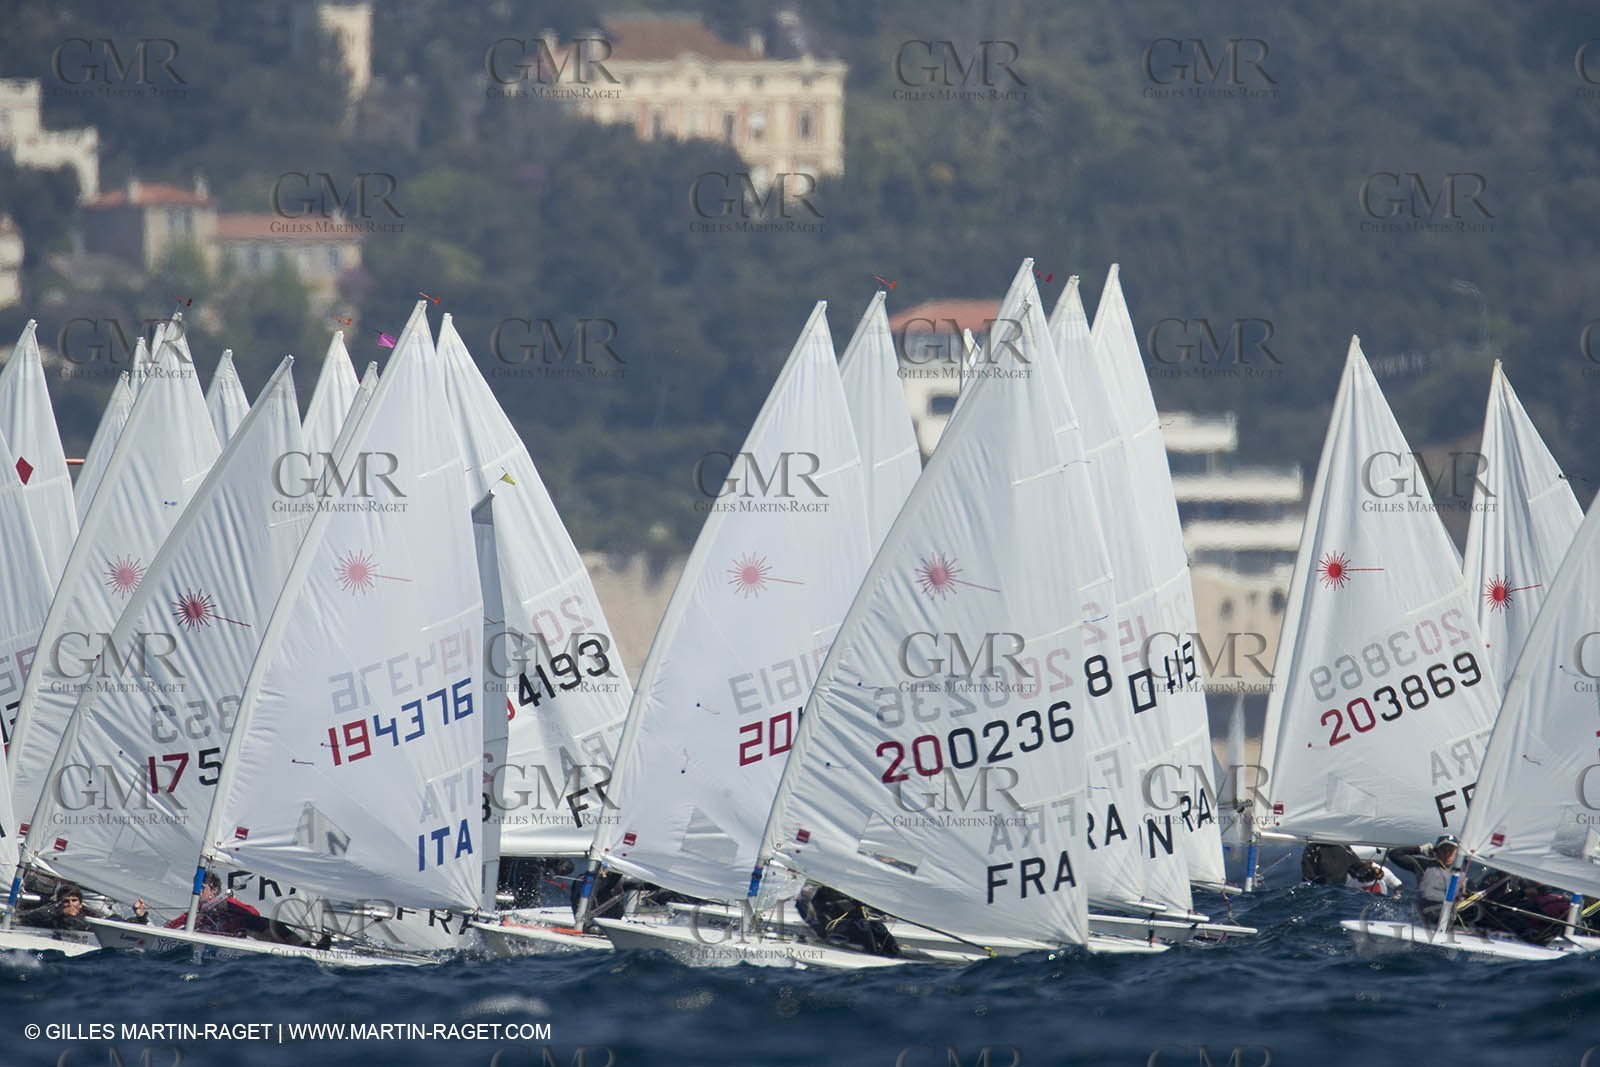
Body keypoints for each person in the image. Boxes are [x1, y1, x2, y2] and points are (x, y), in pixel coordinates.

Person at [165, 873, 308, 945]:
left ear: (214, 890)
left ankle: (301, 945)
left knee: (260, 923)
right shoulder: (196, 912)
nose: (198, 892)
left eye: (202, 888)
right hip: (215, 943)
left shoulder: (228, 903)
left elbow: (253, 913)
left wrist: (226, 909)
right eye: (197, 888)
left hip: (241, 939)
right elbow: (172, 926)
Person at [796, 883, 900, 958]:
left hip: (859, 923)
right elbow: (803, 905)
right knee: (858, 930)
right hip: (842, 929)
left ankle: (891, 954)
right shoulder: (814, 891)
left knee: (877, 929)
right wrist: (820, 933)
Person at [15, 882, 147, 931]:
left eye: (74, 900)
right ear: (59, 903)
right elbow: (24, 919)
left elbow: (117, 923)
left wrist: (140, 916)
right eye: (66, 901)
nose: (71, 904)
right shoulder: (50, 913)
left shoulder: (88, 915)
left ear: (80, 903)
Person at [1387, 837, 1461, 925]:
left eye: (1450, 850)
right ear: (1436, 851)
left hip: (1452, 918)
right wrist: (1419, 850)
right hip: (1427, 916)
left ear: (1456, 852)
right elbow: (1394, 855)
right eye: (1443, 850)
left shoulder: (1462, 872)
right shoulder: (1425, 866)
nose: (1447, 854)